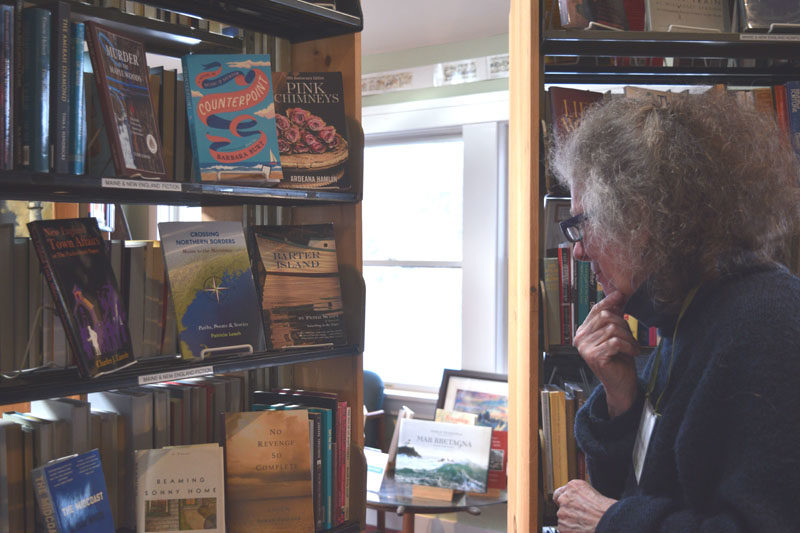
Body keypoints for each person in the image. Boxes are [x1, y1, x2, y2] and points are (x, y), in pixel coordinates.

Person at [548, 91, 800, 532]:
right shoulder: (683, 313)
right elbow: (639, 485)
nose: (579, 251)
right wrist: (622, 398)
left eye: (581, 224)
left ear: (638, 217)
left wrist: (610, 520)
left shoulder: (768, 322)